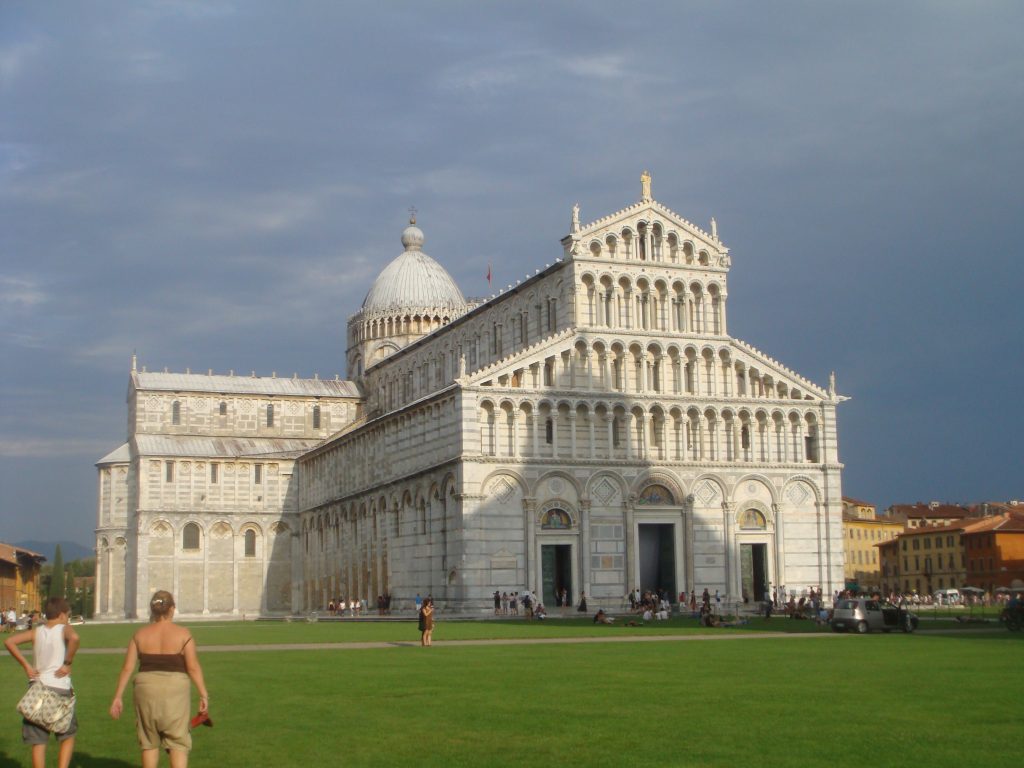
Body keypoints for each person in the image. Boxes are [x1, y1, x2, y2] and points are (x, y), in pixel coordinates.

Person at [110, 591, 209, 768]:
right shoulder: (183, 634)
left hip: (145, 688)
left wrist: (118, 697)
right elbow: (193, 667)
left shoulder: (139, 634)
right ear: (172, 609)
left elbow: (127, 668)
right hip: (175, 689)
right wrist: (203, 695)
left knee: (149, 741)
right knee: (178, 741)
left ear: (153, 610)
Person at [5, 596, 80, 768]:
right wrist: (67, 663)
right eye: (67, 615)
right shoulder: (63, 628)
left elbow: (9, 641)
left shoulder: (37, 631)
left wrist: (26, 666)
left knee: (38, 740)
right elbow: (75, 638)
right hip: (60, 687)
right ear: (62, 615)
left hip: (37, 687)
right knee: (67, 735)